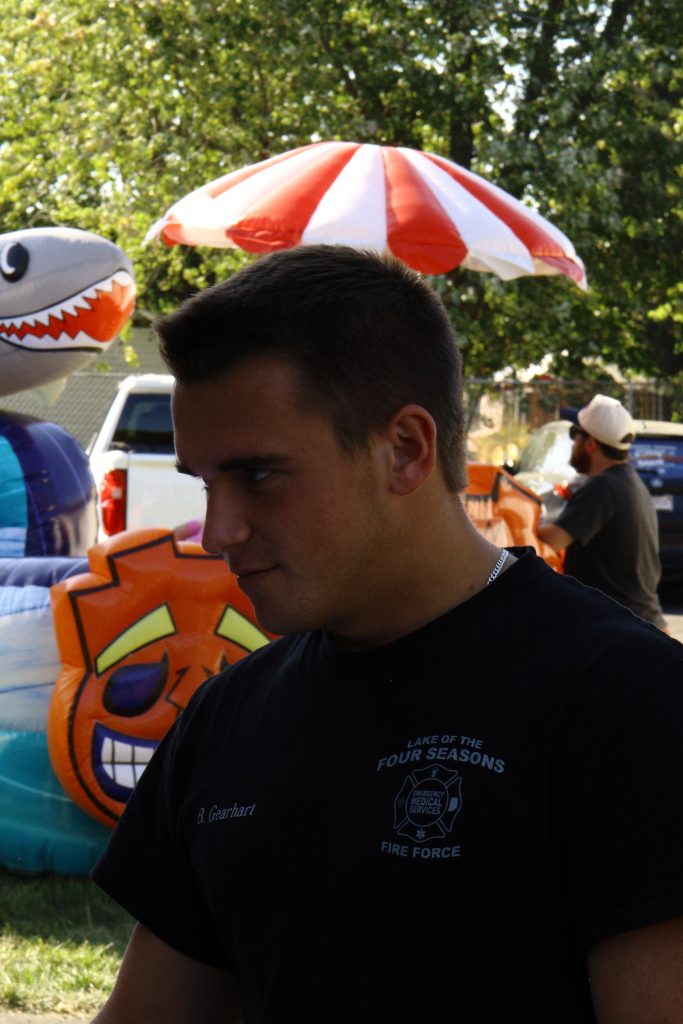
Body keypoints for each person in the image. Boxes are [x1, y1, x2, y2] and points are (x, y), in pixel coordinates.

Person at [90, 246, 683, 1024]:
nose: (218, 528)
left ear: (404, 450)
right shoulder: (228, 715)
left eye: (258, 475)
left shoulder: (626, 702)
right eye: (205, 482)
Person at [537, 394, 667, 629]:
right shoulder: (627, 482)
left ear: (590, 444)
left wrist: (528, 516)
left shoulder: (603, 487)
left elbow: (554, 539)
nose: (572, 443)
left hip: (624, 630)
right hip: (639, 625)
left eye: (575, 434)